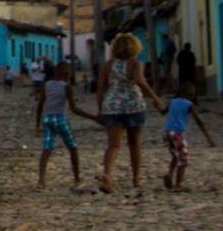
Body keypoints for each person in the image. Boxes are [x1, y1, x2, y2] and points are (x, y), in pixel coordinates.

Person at [95, 33, 165, 196]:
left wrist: (100, 109)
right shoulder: (135, 64)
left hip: (112, 107)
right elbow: (140, 81)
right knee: (134, 144)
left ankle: (107, 175)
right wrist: (155, 98)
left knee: (113, 145)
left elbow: (100, 88)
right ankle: (136, 178)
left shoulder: (108, 65)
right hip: (134, 106)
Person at [34, 60, 92, 191]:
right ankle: (77, 179)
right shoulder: (67, 87)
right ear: (67, 74)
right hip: (60, 119)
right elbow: (73, 108)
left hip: (47, 119)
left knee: (46, 150)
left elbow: (40, 105)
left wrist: (37, 125)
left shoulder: (47, 85)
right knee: (73, 148)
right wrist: (92, 117)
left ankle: (41, 181)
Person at [161, 82, 216, 191]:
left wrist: (157, 104)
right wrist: (209, 138)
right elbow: (199, 121)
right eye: (192, 95)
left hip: (166, 133)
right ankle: (178, 185)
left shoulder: (172, 102)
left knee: (175, 156)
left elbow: (162, 111)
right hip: (177, 133)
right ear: (191, 95)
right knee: (183, 159)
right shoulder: (189, 104)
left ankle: (169, 174)